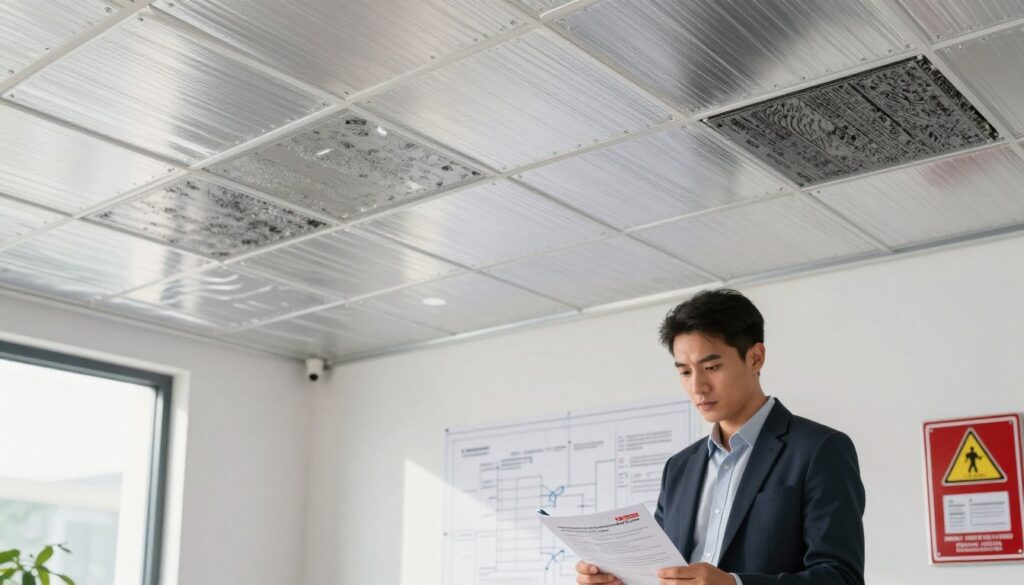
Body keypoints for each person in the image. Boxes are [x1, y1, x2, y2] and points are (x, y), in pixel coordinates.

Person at [576, 289, 865, 585]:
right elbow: (663, 575)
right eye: (685, 372)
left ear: (755, 358)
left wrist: (734, 584)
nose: (698, 387)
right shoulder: (679, 467)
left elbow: (841, 578)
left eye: (711, 368)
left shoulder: (819, 449)